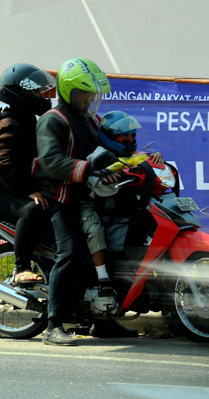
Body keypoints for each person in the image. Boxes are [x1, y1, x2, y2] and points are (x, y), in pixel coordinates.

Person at [35, 57, 134, 346]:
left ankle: (103, 321)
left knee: (108, 248)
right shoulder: (53, 120)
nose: (89, 98)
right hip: (61, 198)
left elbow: (108, 148)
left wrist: (133, 161)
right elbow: (50, 161)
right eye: (83, 93)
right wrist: (88, 169)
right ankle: (53, 325)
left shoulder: (89, 119)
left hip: (90, 197)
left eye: (91, 94)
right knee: (69, 252)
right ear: (67, 91)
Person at [0, 63, 55, 283]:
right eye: (35, 92)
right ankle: (21, 268)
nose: (41, 97)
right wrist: (30, 190)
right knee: (31, 209)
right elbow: (2, 165)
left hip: (13, 187)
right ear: (19, 92)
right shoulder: (10, 122)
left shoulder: (27, 119)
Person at [79, 111, 163, 297]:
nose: (130, 139)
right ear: (109, 137)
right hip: (90, 204)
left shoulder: (127, 154)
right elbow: (100, 186)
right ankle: (103, 278)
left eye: (132, 135)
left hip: (114, 206)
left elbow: (141, 159)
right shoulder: (99, 156)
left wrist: (155, 157)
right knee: (95, 230)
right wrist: (115, 177)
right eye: (124, 135)